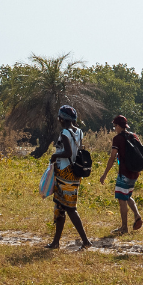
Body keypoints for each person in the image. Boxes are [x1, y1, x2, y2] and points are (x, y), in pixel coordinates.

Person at [47, 105, 93, 249]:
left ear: (62, 119)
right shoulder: (79, 131)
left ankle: (86, 241)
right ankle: (56, 242)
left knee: (70, 209)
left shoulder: (65, 133)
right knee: (60, 207)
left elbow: (67, 152)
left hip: (65, 173)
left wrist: (55, 155)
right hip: (73, 174)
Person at [99, 115, 143, 235]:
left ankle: (124, 228)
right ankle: (137, 216)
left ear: (119, 126)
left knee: (121, 199)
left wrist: (104, 174)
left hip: (124, 172)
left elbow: (112, 157)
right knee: (127, 196)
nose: (114, 128)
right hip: (135, 172)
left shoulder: (117, 139)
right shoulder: (134, 136)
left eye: (115, 126)